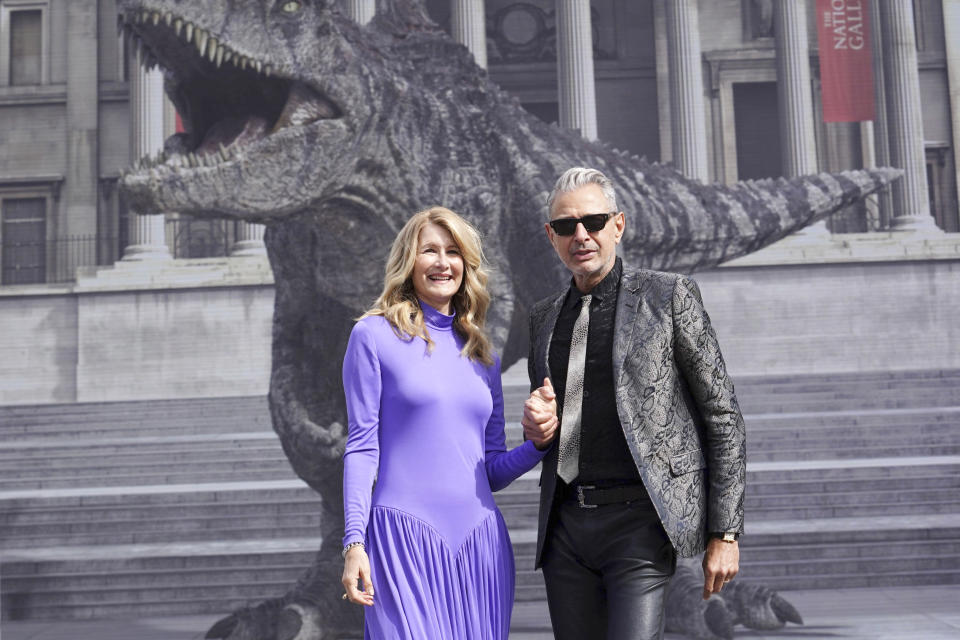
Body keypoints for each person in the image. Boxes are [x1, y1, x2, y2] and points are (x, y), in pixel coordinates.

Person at [522, 167, 747, 640]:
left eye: (594, 221)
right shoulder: (542, 319)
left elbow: (722, 416)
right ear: (551, 235)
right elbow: (553, 421)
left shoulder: (668, 296)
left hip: (639, 527)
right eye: (566, 226)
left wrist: (724, 533)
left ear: (618, 225)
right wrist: (537, 427)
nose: (580, 235)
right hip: (565, 528)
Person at [340, 206, 558, 639]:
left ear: (466, 265)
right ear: (408, 262)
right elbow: (362, 448)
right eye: (430, 251)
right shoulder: (372, 336)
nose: (443, 262)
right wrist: (354, 543)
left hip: (480, 545)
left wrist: (539, 443)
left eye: (453, 252)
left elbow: (490, 470)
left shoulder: (482, 354)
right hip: (401, 541)